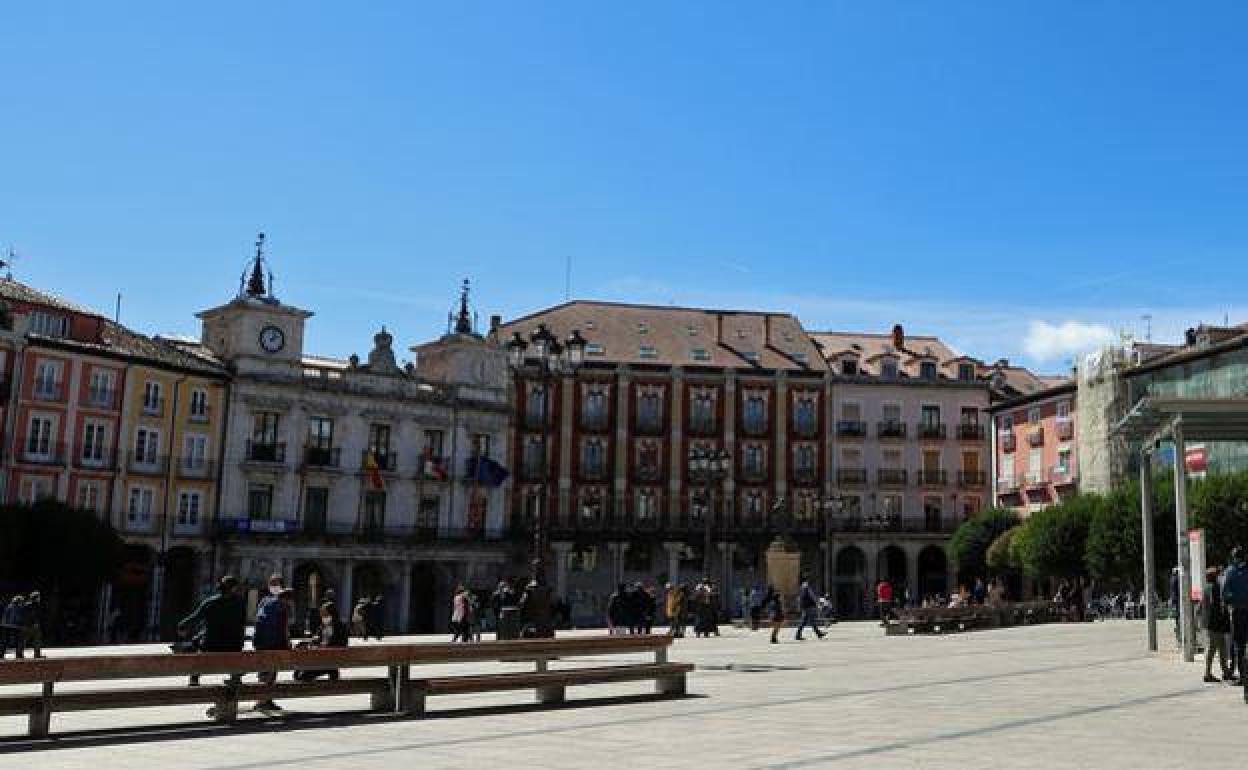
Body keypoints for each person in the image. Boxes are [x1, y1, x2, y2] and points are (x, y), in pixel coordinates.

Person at [177, 576, 246, 693]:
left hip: (210, 644)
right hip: (232, 646)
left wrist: (182, 625)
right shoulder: (239, 603)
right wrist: (240, 642)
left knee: (200, 648)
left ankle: (194, 678)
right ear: (234, 588)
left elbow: (196, 616)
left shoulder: (210, 602)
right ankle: (236, 677)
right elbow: (241, 624)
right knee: (237, 658)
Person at [252, 587, 295, 712]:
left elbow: (257, 618)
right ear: (287, 599)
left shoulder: (266, 601)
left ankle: (261, 699)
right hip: (275, 643)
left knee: (264, 672)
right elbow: (284, 628)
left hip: (260, 642)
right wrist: (288, 644)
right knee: (271, 673)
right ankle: (264, 700)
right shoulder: (283, 607)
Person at [294, 603, 349, 682]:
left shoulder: (340, 627)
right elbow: (317, 639)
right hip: (321, 657)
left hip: (331, 658)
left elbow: (341, 645)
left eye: (325, 614)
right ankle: (330, 671)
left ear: (332, 613)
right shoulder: (322, 626)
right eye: (322, 614)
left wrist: (323, 647)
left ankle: (331, 670)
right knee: (299, 675)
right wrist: (307, 642)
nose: (323, 617)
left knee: (304, 676)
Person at [1220, 548, 1248, 695]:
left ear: (1233, 557)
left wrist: (1229, 602)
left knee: (1239, 644)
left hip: (1237, 611)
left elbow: (1224, 591)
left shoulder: (1230, 571)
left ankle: (1243, 677)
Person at [1203, 566, 1232, 683]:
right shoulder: (1214, 587)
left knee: (1221, 648)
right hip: (1215, 623)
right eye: (1217, 575)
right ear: (1214, 577)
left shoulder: (1206, 588)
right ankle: (1208, 673)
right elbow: (1216, 606)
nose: (1219, 577)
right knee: (1213, 649)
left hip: (1211, 623)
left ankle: (1225, 672)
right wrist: (1224, 617)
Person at [1, 595, 26, 659]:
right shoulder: (17, 607)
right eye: (21, 601)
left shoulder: (9, 606)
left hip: (6, 626)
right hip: (14, 626)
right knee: (19, 641)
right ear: (18, 601)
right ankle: (19, 655)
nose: (22, 603)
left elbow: (5, 617)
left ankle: (1, 655)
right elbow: (15, 618)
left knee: (5, 641)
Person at [21, 592, 44, 659]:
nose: (39, 598)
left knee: (34, 640)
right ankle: (36, 654)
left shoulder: (27, 604)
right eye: (38, 597)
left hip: (28, 625)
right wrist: (34, 622)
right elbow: (33, 615)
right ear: (36, 597)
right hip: (30, 625)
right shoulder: (32, 605)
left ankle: (20, 654)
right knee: (29, 640)